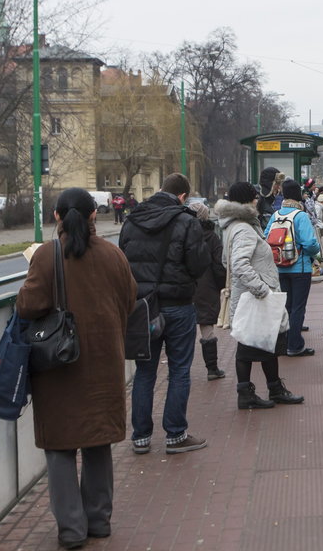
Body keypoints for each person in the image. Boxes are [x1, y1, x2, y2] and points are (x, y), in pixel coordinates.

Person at [16, 188, 137, 549]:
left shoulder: (45, 256)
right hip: (103, 363)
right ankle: (99, 521)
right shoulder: (113, 255)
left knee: (60, 447)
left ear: (56, 217)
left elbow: (28, 305)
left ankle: (71, 529)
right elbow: (130, 300)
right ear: (93, 216)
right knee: (98, 442)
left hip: (58, 367)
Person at [119, 173, 210, 455]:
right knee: (179, 369)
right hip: (179, 305)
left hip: (144, 307)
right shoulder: (186, 221)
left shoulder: (132, 220)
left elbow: (122, 261)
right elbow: (198, 265)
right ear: (183, 196)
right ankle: (175, 435)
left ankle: (140, 437)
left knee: (145, 372)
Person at [216, 182, 304, 409]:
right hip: (254, 298)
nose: (258, 200)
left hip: (248, 297)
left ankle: (270, 389)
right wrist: (262, 289)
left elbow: (227, 262)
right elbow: (238, 264)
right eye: (254, 197)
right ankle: (252, 393)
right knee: (251, 347)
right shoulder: (244, 228)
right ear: (247, 201)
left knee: (265, 344)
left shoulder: (234, 226)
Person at [263, 179, 321, 357]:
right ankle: (295, 345)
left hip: (280, 268)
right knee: (298, 307)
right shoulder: (300, 215)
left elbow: (266, 237)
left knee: (286, 307)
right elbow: (310, 243)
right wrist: (314, 253)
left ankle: (284, 342)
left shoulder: (277, 214)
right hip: (300, 268)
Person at [189, 201, 226, 381]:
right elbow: (219, 265)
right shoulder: (211, 237)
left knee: (183, 331)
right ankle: (212, 368)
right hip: (206, 286)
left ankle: (180, 370)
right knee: (207, 328)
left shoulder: (180, 234)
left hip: (185, 286)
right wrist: (219, 285)